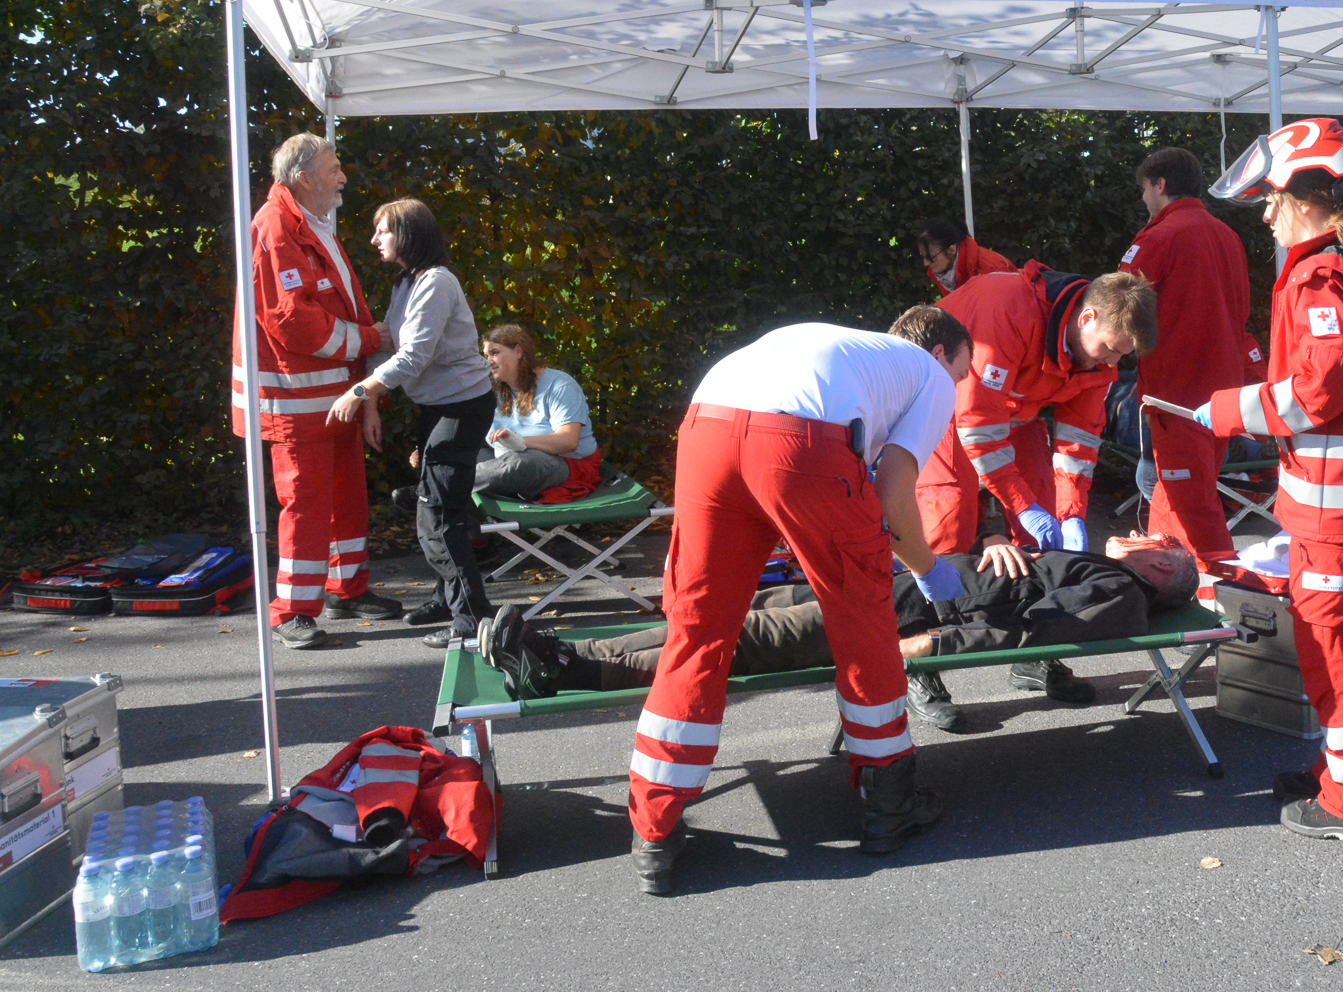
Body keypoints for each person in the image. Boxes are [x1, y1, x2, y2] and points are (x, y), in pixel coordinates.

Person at [628, 306, 973, 897]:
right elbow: (892, 493)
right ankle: (890, 803)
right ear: (943, 353)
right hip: (801, 443)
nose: (961, 386)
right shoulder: (932, 376)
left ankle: (653, 831)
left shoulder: (853, 352)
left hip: (708, 424)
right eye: (963, 372)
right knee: (861, 620)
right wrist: (928, 569)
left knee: (697, 629)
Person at [1194, 118, 1343, 850]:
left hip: (1336, 507)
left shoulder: (1318, 276)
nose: (1265, 215)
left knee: (1336, 650)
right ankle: (1339, 777)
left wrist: (1229, 410)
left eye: (1271, 200)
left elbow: (1321, 386)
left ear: (1305, 197)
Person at [478, 534, 1199, 712]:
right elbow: (1026, 588)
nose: (1139, 532)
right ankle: (558, 648)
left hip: (906, 614)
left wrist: (937, 645)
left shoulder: (1121, 592)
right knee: (721, 615)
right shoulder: (1097, 566)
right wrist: (999, 540)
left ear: (1162, 565)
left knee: (743, 640)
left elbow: (1041, 634)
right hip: (894, 588)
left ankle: (566, 671)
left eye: (1155, 538)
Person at [916, 264, 1157, 705]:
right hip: (944, 409)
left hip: (1014, 413)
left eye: (1121, 356)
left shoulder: (1097, 352)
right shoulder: (1008, 312)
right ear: (1086, 318)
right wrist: (1018, 504)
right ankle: (920, 664)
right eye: (1108, 349)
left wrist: (1071, 514)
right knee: (945, 526)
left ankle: (1036, 648)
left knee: (1045, 536)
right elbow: (976, 422)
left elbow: (1079, 443)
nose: (1111, 363)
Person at [233, 133, 403, 650]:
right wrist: (370, 340)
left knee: (346, 497)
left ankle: (346, 590)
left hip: (333, 396)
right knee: (306, 506)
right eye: (334, 169)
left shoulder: (309, 222)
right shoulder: (276, 227)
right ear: (305, 177)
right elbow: (294, 322)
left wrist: (364, 382)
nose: (343, 177)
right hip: (295, 401)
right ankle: (290, 611)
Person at [328, 198, 495, 649]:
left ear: (408, 234)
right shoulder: (407, 282)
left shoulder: (436, 283)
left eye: (382, 230)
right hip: (437, 407)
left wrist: (357, 392)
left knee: (437, 515)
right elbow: (386, 341)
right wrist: (369, 404)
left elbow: (414, 356)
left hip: (462, 407)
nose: (374, 239)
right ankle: (446, 599)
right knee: (437, 506)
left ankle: (472, 618)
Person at [1121, 147, 1252, 559]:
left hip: (1176, 395)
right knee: (1178, 494)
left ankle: (1218, 584)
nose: (1144, 199)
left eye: (1145, 189)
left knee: (1190, 505)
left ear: (1160, 185)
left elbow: (1118, 306)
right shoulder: (1227, 236)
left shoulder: (1159, 237)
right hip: (1223, 393)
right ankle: (1164, 571)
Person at [474, 324, 600, 501]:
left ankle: (448, 480)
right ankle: (449, 479)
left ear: (518, 351)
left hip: (564, 463)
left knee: (519, 465)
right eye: (486, 356)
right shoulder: (495, 390)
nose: (489, 361)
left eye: (495, 353)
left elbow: (568, 441)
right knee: (463, 455)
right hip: (506, 459)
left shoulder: (560, 386)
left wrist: (518, 441)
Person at [916, 217, 1014, 296]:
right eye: (923, 256)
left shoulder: (993, 269)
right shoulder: (946, 271)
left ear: (952, 250)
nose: (926, 263)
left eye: (931, 257)